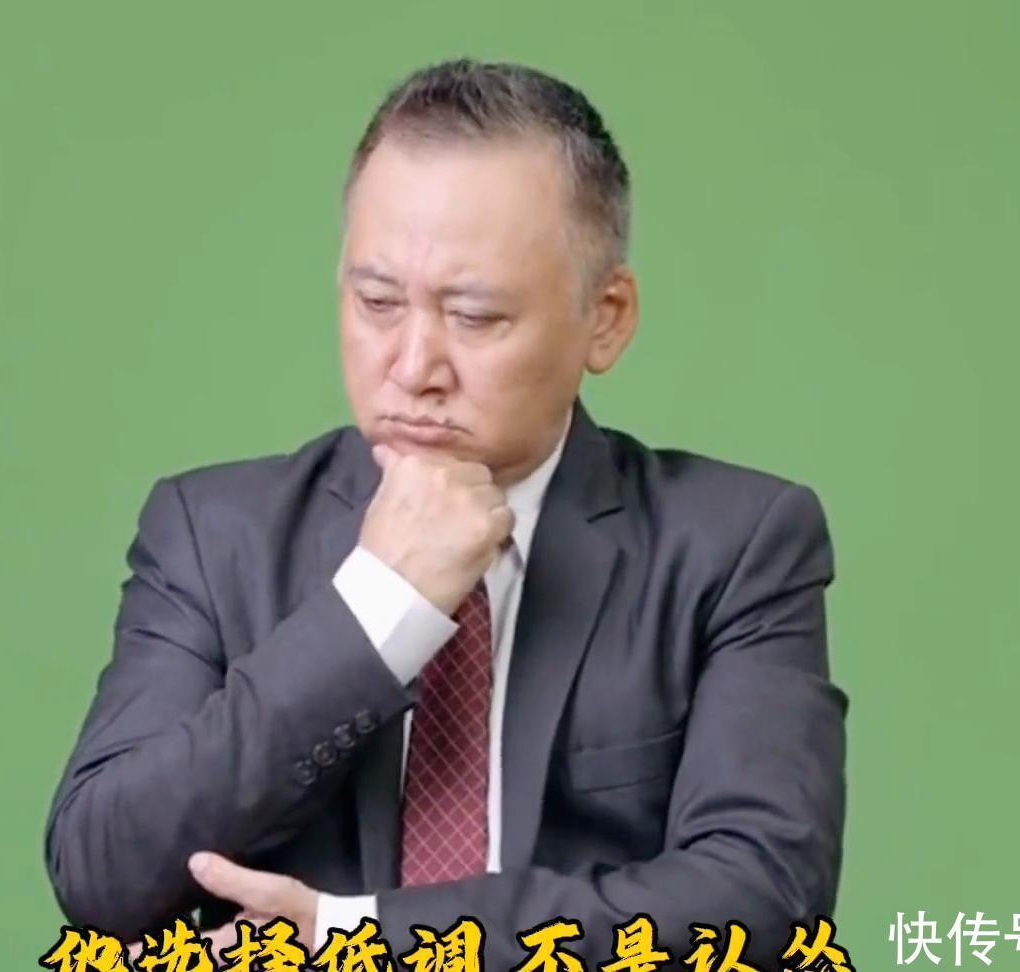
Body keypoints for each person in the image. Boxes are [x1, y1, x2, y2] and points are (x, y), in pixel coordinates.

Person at [44, 58, 847, 968]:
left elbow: (763, 895)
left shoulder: (735, 546)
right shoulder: (213, 533)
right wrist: (377, 610)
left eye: (474, 316)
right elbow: (103, 872)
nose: (413, 365)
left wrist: (358, 938)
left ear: (607, 318)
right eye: (377, 302)